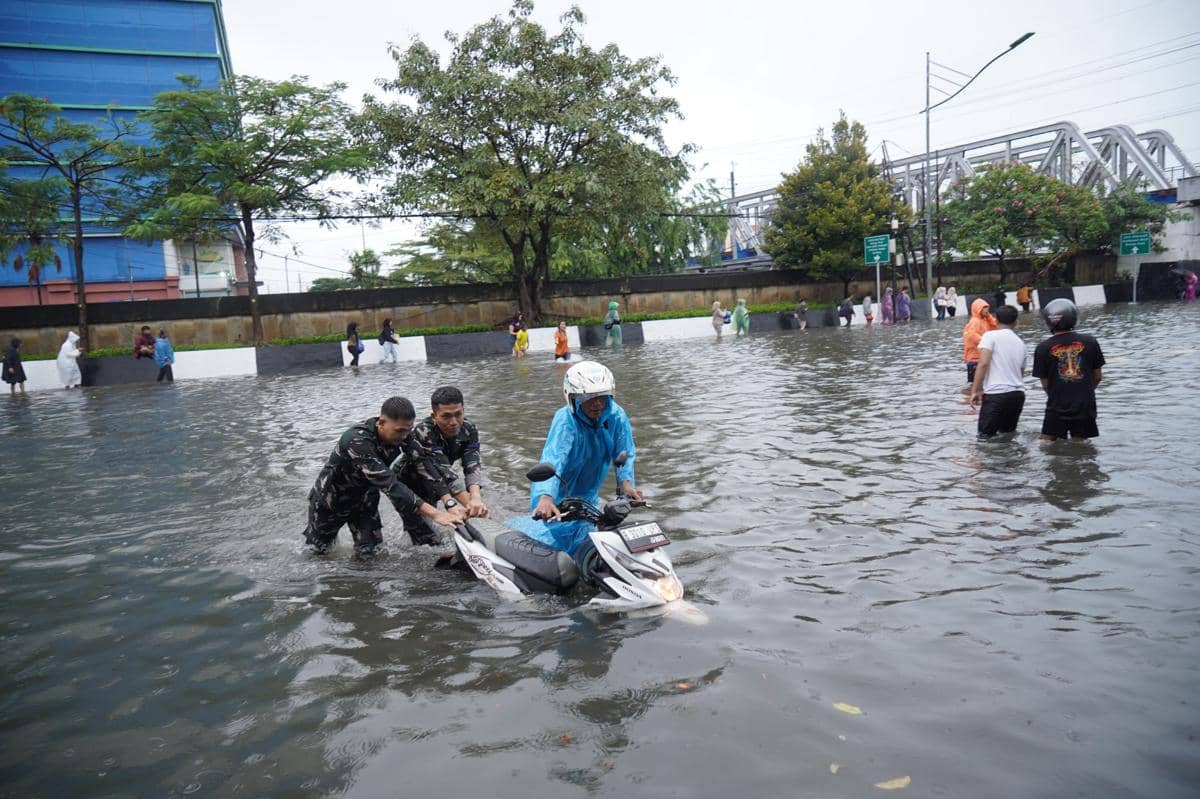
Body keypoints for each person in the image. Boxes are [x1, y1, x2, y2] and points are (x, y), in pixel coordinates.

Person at [510, 361, 642, 561]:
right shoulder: (565, 421)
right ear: (573, 398)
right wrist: (545, 497)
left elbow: (624, 451)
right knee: (569, 552)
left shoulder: (616, 415)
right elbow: (554, 458)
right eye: (589, 398)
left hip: (589, 498)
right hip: (559, 501)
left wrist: (626, 484)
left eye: (602, 397)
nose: (597, 404)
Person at [303, 396, 467, 554]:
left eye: (408, 430)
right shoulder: (356, 440)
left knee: (371, 552)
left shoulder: (403, 434)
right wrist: (436, 514)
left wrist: (449, 502)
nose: (404, 436)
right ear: (381, 423)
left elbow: (423, 464)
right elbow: (390, 484)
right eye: (400, 431)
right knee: (318, 553)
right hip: (331, 501)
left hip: (365, 500)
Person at [409, 386, 491, 522]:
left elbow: (472, 464)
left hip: (439, 481)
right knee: (426, 534)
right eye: (446, 416)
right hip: (412, 482)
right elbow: (445, 472)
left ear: (463, 411)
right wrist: (470, 505)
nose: (453, 422)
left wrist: (476, 498)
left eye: (458, 414)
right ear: (434, 416)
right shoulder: (424, 432)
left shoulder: (469, 429)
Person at [1032, 299, 1106, 441]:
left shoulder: (1042, 348)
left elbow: (1045, 385)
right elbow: (1097, 377)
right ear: (1073, 317)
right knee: (1080, 446)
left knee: (1047, 443)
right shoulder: (1090, 341)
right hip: (1084, 404)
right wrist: (1083, 392)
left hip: (1057, 405)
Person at [969, 305, 1026, 438]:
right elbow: (1020, 372)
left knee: (985, 438)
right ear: (1016, 322)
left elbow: (983, 363)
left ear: (995, 320)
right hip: (1017, 395)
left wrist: (975, 390)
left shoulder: (990, 336)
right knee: (1008, 436)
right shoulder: (1020, 343)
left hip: (996, 395)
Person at [962, 298, 997, 387]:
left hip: (982, 357)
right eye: (984, 307)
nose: (986, 309)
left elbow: (996, 326)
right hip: (974, 359)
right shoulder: (975, 321)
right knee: (974, 384)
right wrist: (986, 343)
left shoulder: (985, 320)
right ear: (978, 309)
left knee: (982, 384)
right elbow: (972, 335)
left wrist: (989, 317)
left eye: (987, 307)